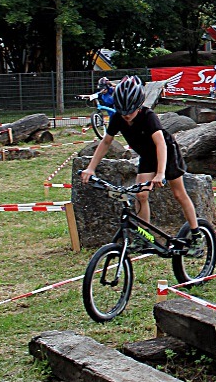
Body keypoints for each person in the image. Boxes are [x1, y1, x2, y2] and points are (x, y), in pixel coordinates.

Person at [80, 76, 205, 252]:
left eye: (130, 112)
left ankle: (196, 235)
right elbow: (106, 142)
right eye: (122, 112)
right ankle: (143, 236)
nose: (126, 116)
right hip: (147, 156)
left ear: (139, 106)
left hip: (166, 154)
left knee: (179, 193)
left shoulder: (149, 117)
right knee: (141, 195)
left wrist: (161, 173)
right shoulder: (118, 118)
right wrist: (91, 167)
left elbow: (160, 144)